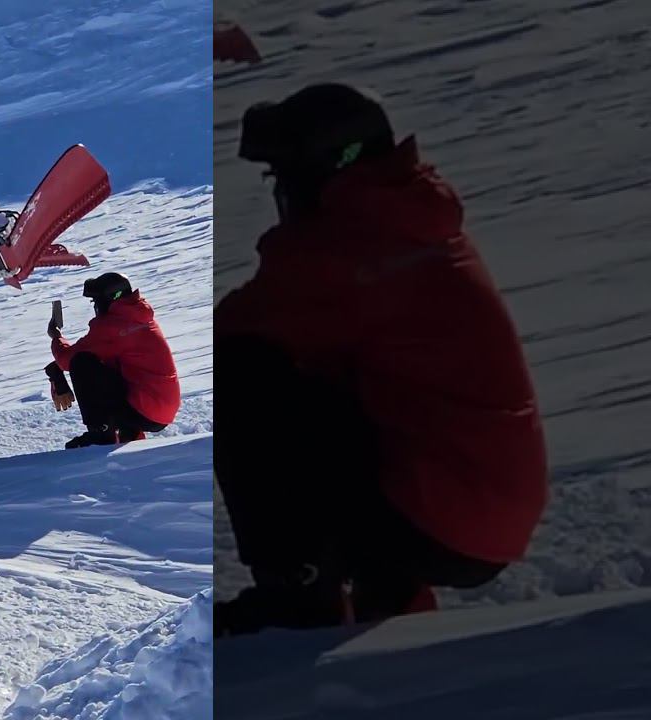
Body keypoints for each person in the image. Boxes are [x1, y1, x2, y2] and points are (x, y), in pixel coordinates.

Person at [214, 83, 549, 635]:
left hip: (448, 517)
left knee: (243, 372)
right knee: (327, 389)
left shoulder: (353, 242)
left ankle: (299, 597)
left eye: (284, 176)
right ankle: (391, 598)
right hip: (481, 506)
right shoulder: (405, 220)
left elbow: (235, 330)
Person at [44, 272, 180, 449]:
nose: (95, 307)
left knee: (82, 362)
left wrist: (55, 336)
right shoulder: (140, 317)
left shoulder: (112, 325)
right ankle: (130, 433)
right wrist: (55, 372)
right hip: (163, 409)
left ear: (106, 300)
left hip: (146, 411)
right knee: (112, 366)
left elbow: (67, 359)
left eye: (96, 301)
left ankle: (101, 434)